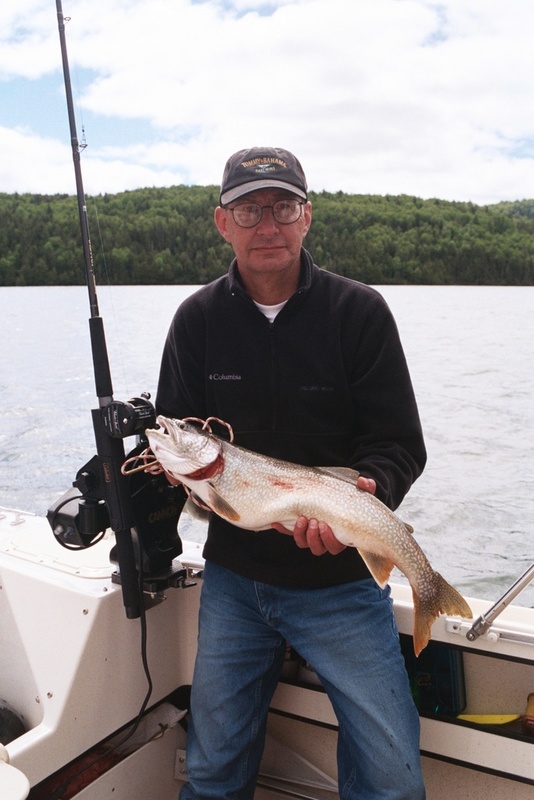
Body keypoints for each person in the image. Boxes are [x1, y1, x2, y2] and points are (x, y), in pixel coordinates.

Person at [156, 146, 427, 800]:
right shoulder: (197, 321)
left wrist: (369, 492)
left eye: (281, 207)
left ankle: (428, 588)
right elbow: (175, 434)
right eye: (249, 210)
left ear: (308, 217)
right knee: (213, 766)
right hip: (235, 583)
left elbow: (398, 444)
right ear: (222, 223)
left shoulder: (357, 312)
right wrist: (178, 490)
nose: (267, 226)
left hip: (341, 581)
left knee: (392, 780)